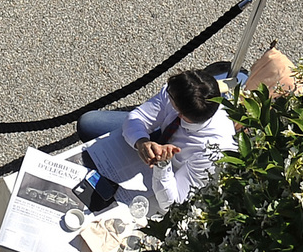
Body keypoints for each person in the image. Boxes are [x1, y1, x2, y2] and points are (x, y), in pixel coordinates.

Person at [79, 71, 235, 209]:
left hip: (171, 174)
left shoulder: (213, 152)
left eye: (170, 100)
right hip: (156, 141)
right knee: (88, 123)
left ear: (180, 114)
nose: (165, 95)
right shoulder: (180, 92)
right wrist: (141, 142)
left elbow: (174, 202)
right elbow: (138, 117)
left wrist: (162, 166)